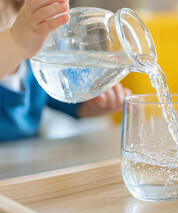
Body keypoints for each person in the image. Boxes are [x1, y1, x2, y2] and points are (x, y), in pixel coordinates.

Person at [0, 0, 131, 141]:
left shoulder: (47, 42)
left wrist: (94, 105)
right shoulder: (24, 40)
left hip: (25, 158)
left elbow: (66, 92)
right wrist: (16, 42)